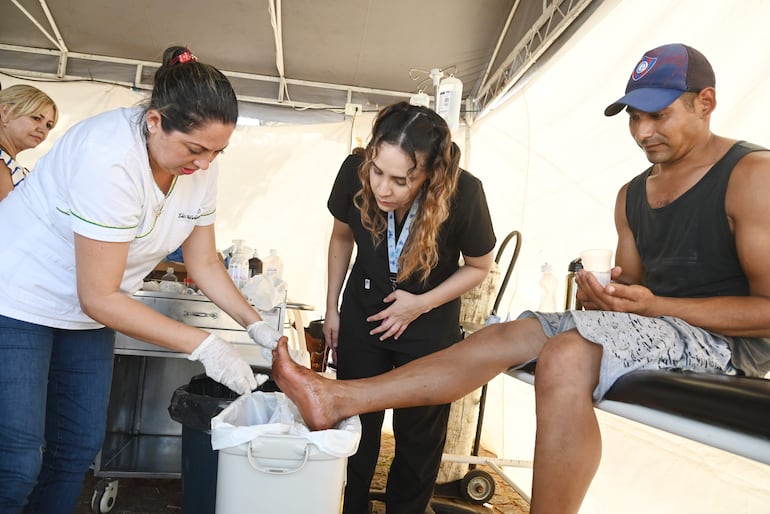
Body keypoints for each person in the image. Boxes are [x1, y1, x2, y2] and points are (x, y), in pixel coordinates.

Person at [270, 43, 770, 514]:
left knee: (565, 355)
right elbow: (632, 302)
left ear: (706, 103)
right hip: (658, 327)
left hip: (727, 345)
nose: (642, 132)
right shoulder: (632, 194)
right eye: (634, 118)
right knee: (502, 334)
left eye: (657, 115)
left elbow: (747, 312)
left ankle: (342, 399)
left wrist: (648, 307)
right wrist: (600, 297)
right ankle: (339, 397)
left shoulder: (752, 175)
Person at [0, 46, 283, 513]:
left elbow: (205, 262)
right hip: (18, 298)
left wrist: (256, 326)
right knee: (16, 461)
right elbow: (99, 295)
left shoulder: (197, 164)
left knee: (75, 449)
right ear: (155, 121)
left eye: (217, 151)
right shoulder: (108, 156)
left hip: (86, 314)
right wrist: (204, 345)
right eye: (195, 149)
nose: (205, 163)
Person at [325, 102, 496, 514]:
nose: (383, 189)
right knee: (354, 428)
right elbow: (341, 240)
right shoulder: (354, 172)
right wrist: (331, 307)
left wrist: (419, 304)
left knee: (419, 441)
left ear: (431, 175)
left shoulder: (464, 192)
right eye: (377, 171)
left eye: (401, 180)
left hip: (428, 323)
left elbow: (479, 267)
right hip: (363, 313)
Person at [0, 84, 58, 200]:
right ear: (5, 112)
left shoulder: (8, 163)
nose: (43, 129)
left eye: (48, 125)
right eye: (36, 118)